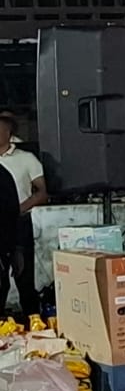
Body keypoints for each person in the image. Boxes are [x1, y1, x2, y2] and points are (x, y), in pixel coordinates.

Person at [0, 114, 40, 317]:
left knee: (23, 277)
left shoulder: (25, 159)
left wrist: (18, 209)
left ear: (9, 133)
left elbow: (42, 192)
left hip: (18, 224)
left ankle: (33, 320)